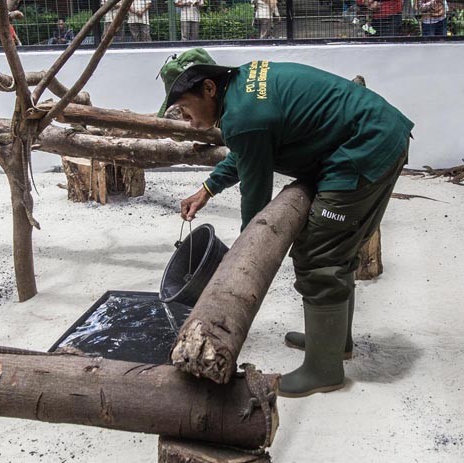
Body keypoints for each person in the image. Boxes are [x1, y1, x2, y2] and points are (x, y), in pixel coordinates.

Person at [157, 48, 413, 398]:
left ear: (208, 89)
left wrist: (245, 256)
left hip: (364, 147)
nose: (185, 118)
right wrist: (207, 188)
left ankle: (324, 369)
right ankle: (335, 342)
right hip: (372, 133)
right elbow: (250, 151)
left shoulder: (243, 116)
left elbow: (256, 191)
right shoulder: (244, 87)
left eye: (184, 106)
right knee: (336, 250)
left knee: (319, 254)